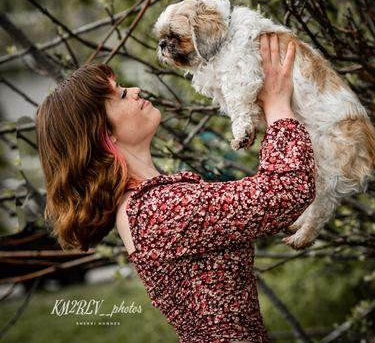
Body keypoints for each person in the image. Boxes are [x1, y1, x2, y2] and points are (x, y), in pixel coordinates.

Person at [35, 33, 316, 342]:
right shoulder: (157, 209)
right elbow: (286, 190)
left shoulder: (147, 204)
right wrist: (276, 101)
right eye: (120, 95)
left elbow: (257, 203)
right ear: (104, 135)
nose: (135, 90)